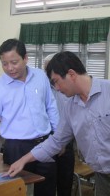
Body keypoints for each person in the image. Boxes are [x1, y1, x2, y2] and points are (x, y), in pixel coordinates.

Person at [4, 51, 110, 196]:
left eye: (55, 81)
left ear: (71, 74)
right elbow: (56, 141)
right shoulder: (70, 107)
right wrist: (24, 160)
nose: (55, 88)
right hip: (103, 181)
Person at [0, 39, 59, 196]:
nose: (10, 68)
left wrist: (57, 136)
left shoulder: (40, 76)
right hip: (17, 149)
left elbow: (51, 106)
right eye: (4, 64)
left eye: (14, 62)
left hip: (46, 144)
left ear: (26, 58)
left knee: (47, 188)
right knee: (17, 190)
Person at [43, 54, 75, 196]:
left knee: (65, 182)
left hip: (66, 140)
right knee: (46, 183)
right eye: (47, 69)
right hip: (47, 139)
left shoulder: (69, 88)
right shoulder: (41, 88)